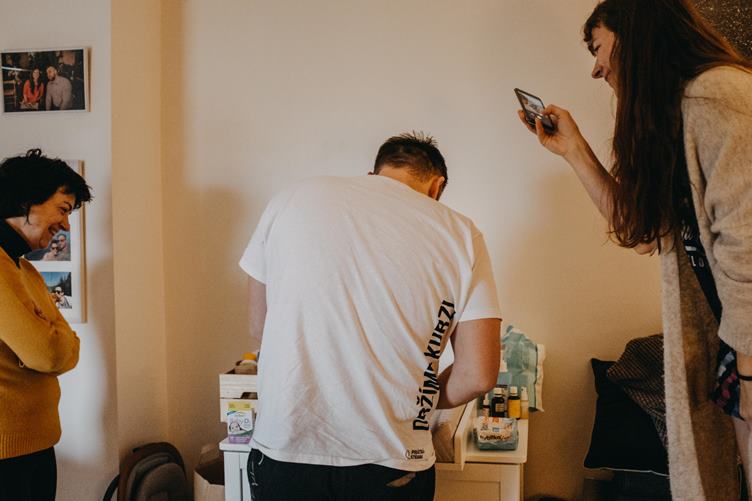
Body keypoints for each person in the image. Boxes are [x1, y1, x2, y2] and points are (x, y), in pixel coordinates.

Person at [517, 0, 752, 498]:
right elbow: (644, 233)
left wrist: (750, 374)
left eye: (598, 48)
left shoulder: (720, 95)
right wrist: (573, 149)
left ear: (636, 37)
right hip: (736, 347)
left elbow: (746, 248)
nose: (596, 68)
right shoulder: (678, 115)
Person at [239, 132, 502, 500]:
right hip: (392, 459)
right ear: (436, 186)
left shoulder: (291, 198)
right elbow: (478, 374)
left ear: (373, 174)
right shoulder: (460, 232)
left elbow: (260, 326)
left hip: (286, 450)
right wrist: (423, 399)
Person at [0, 149, 92, 500]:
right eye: (63, 209)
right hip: (7, 453)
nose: (66, 225)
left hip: (36, 444)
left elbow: (64, 343)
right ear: (27, 201)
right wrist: (52, 335)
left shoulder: (26, 270)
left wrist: (54, 336)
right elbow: (50, 353)